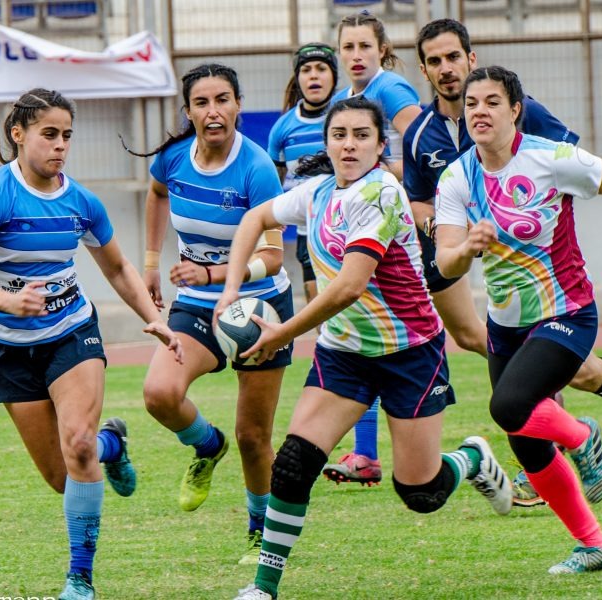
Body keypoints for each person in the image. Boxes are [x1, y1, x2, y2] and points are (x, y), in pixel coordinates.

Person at [405, 19, 602, 506]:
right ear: (423, 70)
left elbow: (587, 171)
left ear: (471, 59)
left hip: (557, 290)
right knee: (565, 371)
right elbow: (422, 202)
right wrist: (454, 236)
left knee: (517, 394)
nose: (447, 69)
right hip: (492, 287)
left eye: (454, 58)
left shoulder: (532, 128)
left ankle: (562, 434)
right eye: (435, 61)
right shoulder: (425, 138)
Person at [218, 96, 513, 600]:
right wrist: (230, 290)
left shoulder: (381, 194)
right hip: (344, 355)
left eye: (360, 135)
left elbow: (349, 286)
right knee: (291, 466)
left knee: (420, 493)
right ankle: (263, 587)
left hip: (410, 353)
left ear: (380, 145)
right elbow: (252, 220)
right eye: (339, 135)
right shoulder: (315, 192)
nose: (348, 144)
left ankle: (472, 458)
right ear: (327, 143)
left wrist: (281, 334)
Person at [435, 66, 602, 574]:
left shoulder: (550, 157)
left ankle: (581, 435)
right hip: (505, 324)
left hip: (567, 310)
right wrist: (467, 250)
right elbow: (445, 261)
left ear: (515, 110)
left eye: (492, 102)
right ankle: (594, 545)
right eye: (472, 103)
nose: (479, 111)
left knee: (510, 404)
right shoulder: (457, 177)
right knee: (524, 440)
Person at [0, 89, 183, 600]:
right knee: (63, 476)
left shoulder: (82, 202)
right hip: (7, 346)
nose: (60, 146)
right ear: (19, 135)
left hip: (71, 332)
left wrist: (154, 320)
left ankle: (80, 579)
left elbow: (117, 266)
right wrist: (7, 302)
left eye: (66, 135)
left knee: (76, 445)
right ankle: (113, 445)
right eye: (49, 134)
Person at [129, 64, 293, 565]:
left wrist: (213, 273)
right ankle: (206, 444)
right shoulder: (174, 158)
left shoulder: (257, 167)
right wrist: (154, 264)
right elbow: (157, 194)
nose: (213, 111)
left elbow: (272, 256)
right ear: (189, 111)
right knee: (159, 394)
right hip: (198, 307)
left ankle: (260, 534)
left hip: (259, 306)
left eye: (223, 99)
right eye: (202, 103)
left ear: (238, 105)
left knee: (253, 437)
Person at [321, 10, 424, 485]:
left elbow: (425, 149)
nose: (356, 55)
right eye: (348, 47)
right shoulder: (346, 99)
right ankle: (365, 454)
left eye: (365, 46)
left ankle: (543, 393)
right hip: (362, 229)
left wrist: (391, 183)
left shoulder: (391, 90)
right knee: (358, 329)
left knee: (465, 336)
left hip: (405, 231)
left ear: (382, 49)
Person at [267, 42, 339, 305]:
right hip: (307, 230)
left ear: (334, 76)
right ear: (298, 78)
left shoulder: (347, 114)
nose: (314, 75)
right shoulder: (283, 128)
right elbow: (273, 180)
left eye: (322, 69)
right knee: (320, 308)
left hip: (347, 224)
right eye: (306, 70)